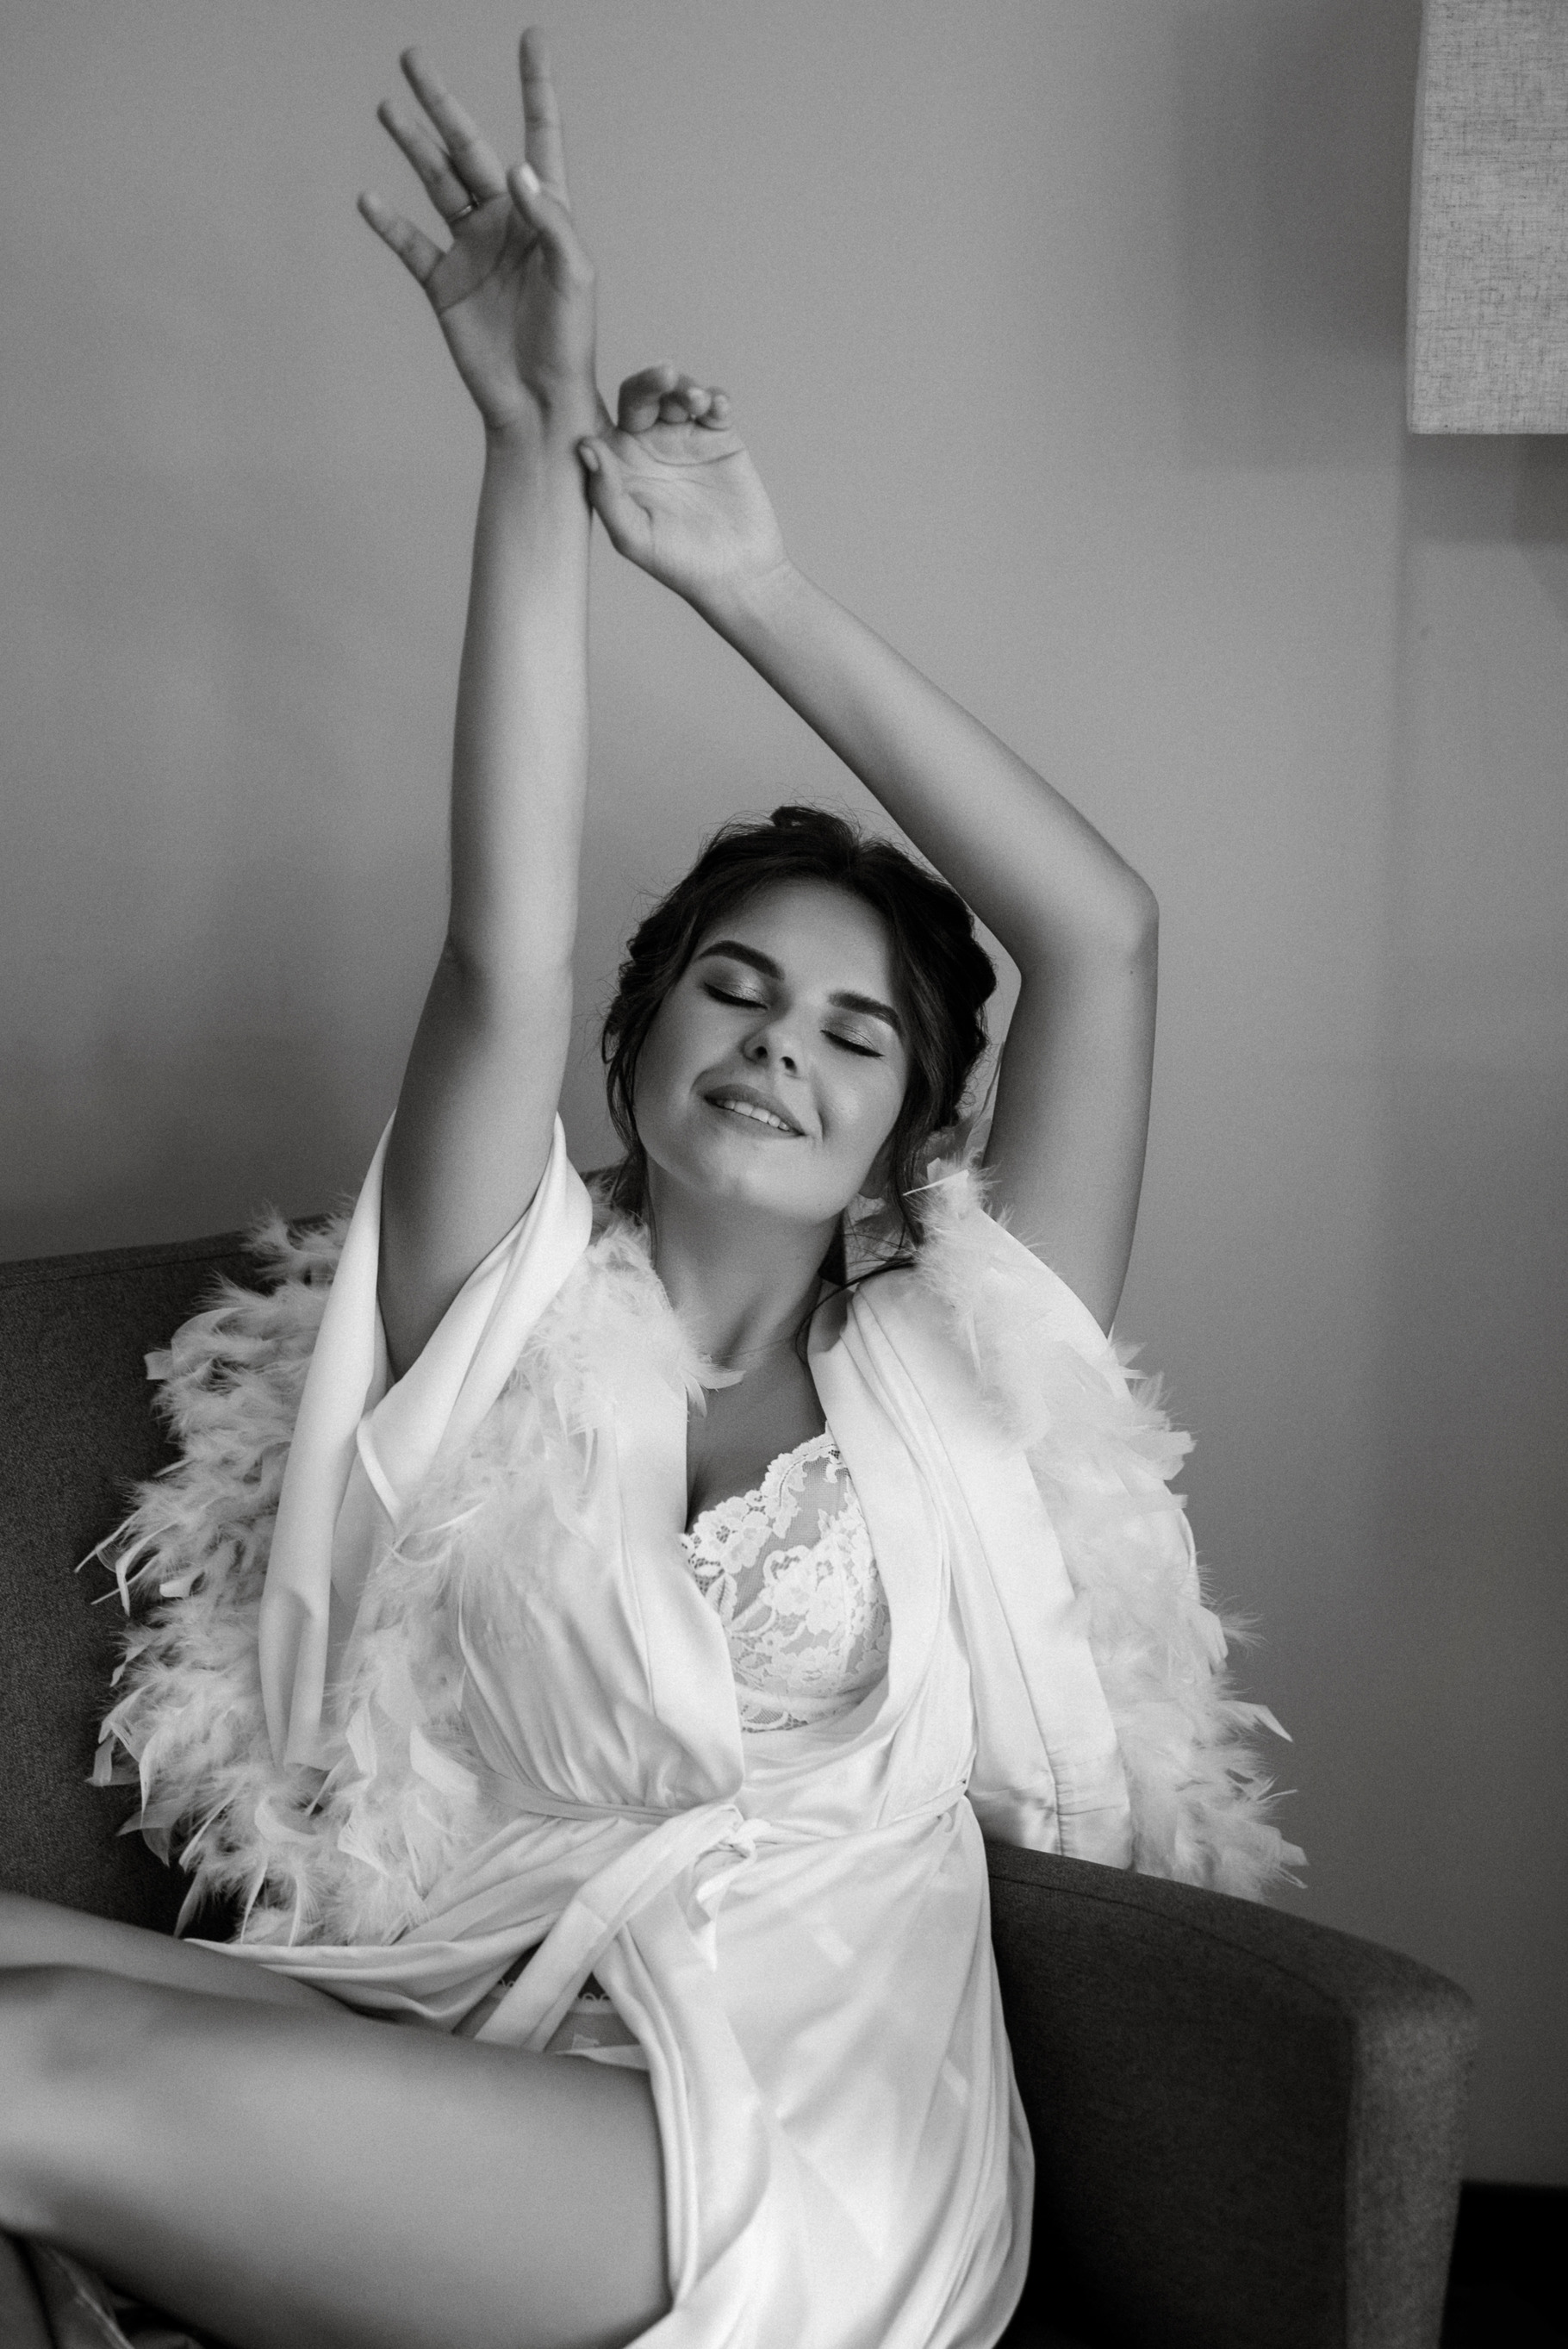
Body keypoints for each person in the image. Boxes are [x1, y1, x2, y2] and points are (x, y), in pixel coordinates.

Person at [0, 30, 1297, 2349]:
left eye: (856, 1031)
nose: (782, 1042)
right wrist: (525, 447)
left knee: (30, 2075)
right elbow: (497, 941)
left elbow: (1098, 936)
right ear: (641, 1042)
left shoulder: (966, 1367)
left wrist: (749, 581)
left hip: (777, 2129)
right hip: (463, 2007)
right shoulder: (496, 1292)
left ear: (911, 1131)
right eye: (735, 986)